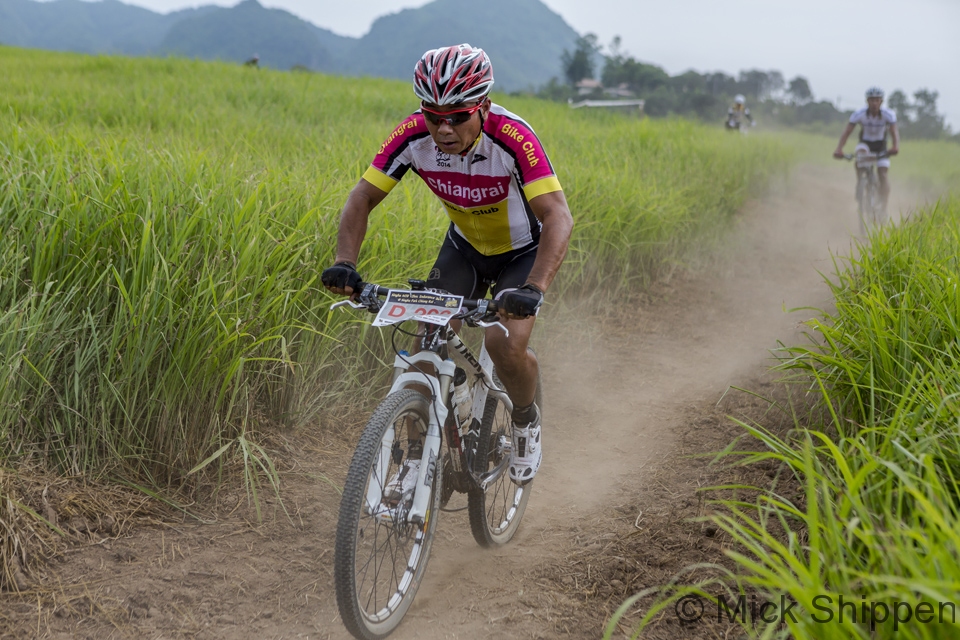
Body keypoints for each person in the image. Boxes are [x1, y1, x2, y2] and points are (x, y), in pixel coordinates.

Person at [320, 44, 574, 491]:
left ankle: (524, 419)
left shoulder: (513, 139)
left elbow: (557, 217)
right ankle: (416, 458)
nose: (443, 127)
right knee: (426, 343)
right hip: (465, 249)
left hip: (521, 254)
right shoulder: (413, 135)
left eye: (457, 115)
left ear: (484, 107)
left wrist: (533, 289)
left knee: (502, 343)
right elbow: (362, 196)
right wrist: (345, 262)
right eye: (433, 115)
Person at [833, 86, 900, 212]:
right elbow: (847, 132)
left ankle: (884, 204)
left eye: (877, 100)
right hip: (865, 144)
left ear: (881, 101)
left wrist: (895, 147)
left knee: (883, 174)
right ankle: (860, 182)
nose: (874, 103)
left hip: (881, 146)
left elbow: (894, 132)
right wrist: (839, 149)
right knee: (860, 155)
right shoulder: (859, 114)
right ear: (867, 101)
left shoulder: (888, 115)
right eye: (871, 100)